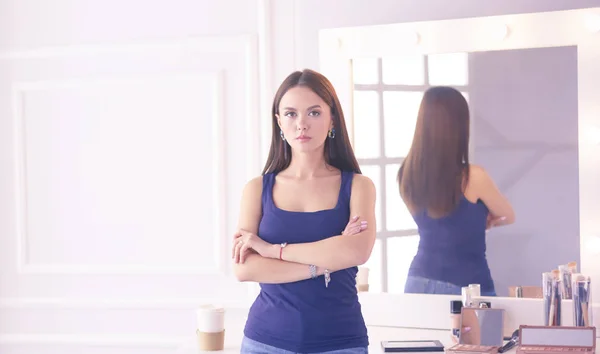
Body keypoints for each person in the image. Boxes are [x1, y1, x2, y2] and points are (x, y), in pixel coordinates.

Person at [231, 69, 376, 353]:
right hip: (265, 342)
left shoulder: (358, 186)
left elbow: (356, 252)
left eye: (313, 113)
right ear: (279, 122)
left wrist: (272, 251)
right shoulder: (256, 189)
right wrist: (323, 263)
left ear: (332, 118)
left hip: (340, 342)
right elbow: (244, 268)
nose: (301, 124)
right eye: (290, 114)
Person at [398, 86, 515, 297]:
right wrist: (483, 219)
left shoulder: (406, 174)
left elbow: (435, 217)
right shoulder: (473, 176)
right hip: (467, 285)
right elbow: (508, 215)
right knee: (488, 332)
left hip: (417, 282)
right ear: (459, 126)